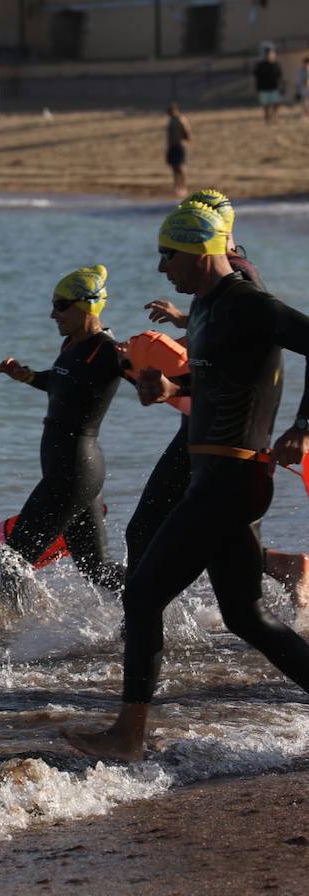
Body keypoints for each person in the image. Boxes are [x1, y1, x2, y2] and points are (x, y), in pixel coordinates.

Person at [66, 202, 309, 761]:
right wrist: (169, 391)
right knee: (247, 616)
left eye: (167, 254)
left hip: (234, 477)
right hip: (215, 475)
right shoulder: (204, 308)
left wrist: (302, 426)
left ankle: (127, 737)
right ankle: (127, 734)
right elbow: (214, 379)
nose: (159, 268)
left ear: (200, 252)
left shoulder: (250, 303)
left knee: (145, 591)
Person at [126, 189, 309, 609]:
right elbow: (221, 341)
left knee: (150, 530)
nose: (165, 264)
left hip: (223, 432)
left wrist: (302, 427)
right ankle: (278, 575)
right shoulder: (214, 282)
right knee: (225, 555)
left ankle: (136, 624)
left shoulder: (240, 278)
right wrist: (173, 359)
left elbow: (250, 340)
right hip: (210, 425)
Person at [0, 266, 127, 611]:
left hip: (75, 470)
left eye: (61, 305)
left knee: (13, 558)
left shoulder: (108, 352)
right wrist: (27, 376)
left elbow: (152, 386)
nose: (53, 313)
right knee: (95, 568)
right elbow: (60, 381)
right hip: (72, 470)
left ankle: (7, 637)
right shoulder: (71, 345)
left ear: (88, 306)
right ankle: (155, 602)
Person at [164, 102, 192, 197]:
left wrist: (185, 142)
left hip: (180, 145)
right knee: (174, 167)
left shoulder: (181, 119)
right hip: (172, 146)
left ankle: (183, 187)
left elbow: (187, 132)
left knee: (181, 167)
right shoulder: (171, 121)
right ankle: (176, 187)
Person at [254, 46, 284, 124]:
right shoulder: (260, 65)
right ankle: (267, 118)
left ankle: (275, 116)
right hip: (263, 88)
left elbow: (280, 76)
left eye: (271, 53)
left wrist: (282, 86)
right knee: (266, 105)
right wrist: (256, 88)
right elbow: (256, 77)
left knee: (276, 103)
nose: (270, 55)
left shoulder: (277, 64)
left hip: (275, 87)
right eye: (268, 54)